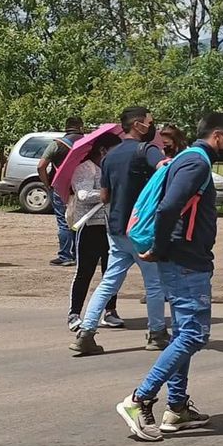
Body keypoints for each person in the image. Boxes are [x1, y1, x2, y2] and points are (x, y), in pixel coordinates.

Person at [114, 111, 223, 442]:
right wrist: (158, 247)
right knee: (195, 335)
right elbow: (169, 208)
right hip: (186, 260)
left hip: (182, 257)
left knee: (185, 332)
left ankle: (178, 406)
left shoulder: (187, 159)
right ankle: (140, 399)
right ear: (218, 136)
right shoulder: (197, 163)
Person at [73, 107, 165, 356]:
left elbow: (104, 195)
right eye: (149, 122)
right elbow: (164, 170)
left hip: (115, 227)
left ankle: (87, 332)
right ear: (138, 125)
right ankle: (157, 333)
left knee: (109, 281)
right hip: (142, 228)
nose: (152, 126)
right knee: (154, 283)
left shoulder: (109, 158)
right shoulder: (147, 150)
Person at [65, 132, 119, 333]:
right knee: (84, 271)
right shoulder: (86, 169)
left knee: (111, 271)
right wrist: (107, 193)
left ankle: (110, 311)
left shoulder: (111, 169)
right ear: (103, 150)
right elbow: (83, 195)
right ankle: (74, 313)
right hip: (89, 226)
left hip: (109, 226)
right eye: (114, 151)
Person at [38, 117, 83, 266]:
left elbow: (41, 166)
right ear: (81, 127)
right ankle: (79, 255)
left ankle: (65, 256)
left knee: (63, 222)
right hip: (81, 187)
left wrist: (47, 184)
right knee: (79, 221)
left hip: (60, 187)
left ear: (66, 128)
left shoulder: (57, 144)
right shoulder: (88, 143)